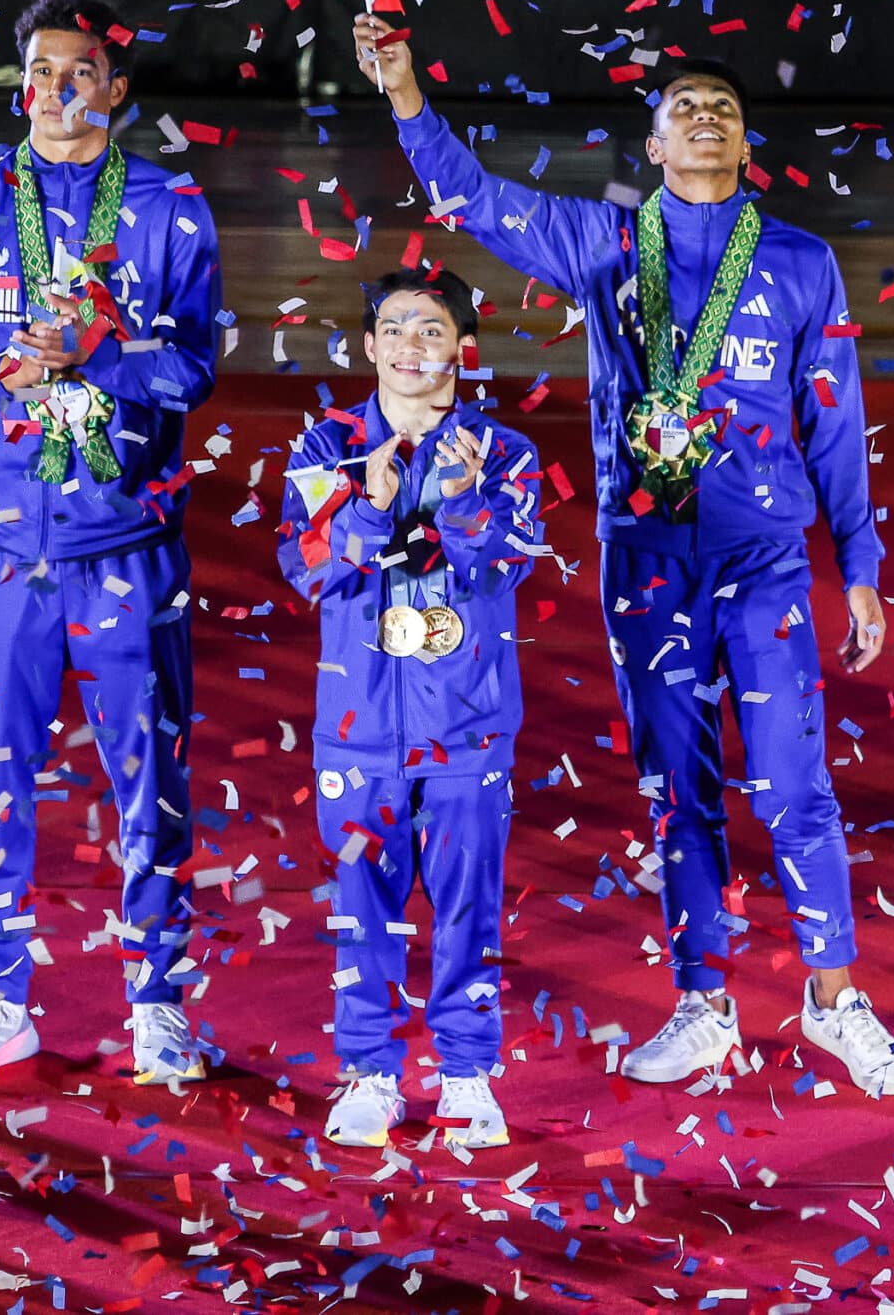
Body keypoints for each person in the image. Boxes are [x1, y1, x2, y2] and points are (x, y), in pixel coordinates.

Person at [355, 14, 894, 1100]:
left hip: (762, 558)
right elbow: (466, 194)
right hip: (649, 559)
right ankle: (703, 1003)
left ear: (746, 145)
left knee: (794, 784)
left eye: (724, 109)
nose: (704, 118)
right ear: (652, 145)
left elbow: (835, 419)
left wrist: (858, 559)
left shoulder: (801, 263)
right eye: (682, 110)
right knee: (678, 789)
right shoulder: (599, 244)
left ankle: (834, 999)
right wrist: (402, 88)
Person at [0, 0, 220, 1084]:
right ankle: (0, 1001)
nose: (52, 90)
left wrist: (100, 357)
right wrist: (10, 368)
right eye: (36, 71)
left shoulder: (170, 208)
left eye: (76, 71)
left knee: (150, 779)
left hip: (125, 542)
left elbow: (193, 367)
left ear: (114, 87)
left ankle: (157, 1003)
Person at [278, 267, 540, 1150]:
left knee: (470, 906)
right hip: (356, 728)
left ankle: (467, 1073)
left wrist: (462, 501)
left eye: (431, 330)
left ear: (462, 348)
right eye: (393, 328)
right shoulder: (325, 449)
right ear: (367, 347)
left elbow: (506, 564)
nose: (410, 345)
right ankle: (372, 1072)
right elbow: (306, 567)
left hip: (466, 726)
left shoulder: (504, 454)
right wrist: (371, 510)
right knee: (363, 900)